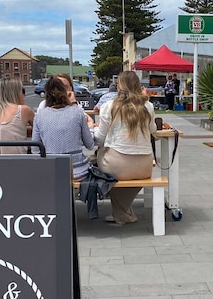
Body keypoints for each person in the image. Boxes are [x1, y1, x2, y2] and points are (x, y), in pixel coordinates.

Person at [94, 70, 157, 225]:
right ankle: (123, 213)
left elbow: (99, 138)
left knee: (98, 158)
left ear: (118, 86)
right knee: (126, 174)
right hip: (145, 166)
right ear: (138, 86)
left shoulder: (109, 107)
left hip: (118, 166)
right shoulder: (148, 106)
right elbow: (153, 130)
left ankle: (122, 214)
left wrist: (92, 127)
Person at [32, 75, 94, 180]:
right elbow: (90, 145)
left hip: (52, 171)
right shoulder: (77, 112)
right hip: (78, 171)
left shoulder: (39, 115)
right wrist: (91, 127)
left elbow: (35, 149)